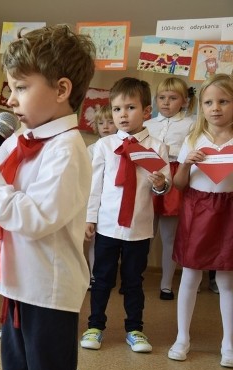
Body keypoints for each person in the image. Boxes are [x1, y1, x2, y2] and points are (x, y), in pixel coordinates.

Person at [0, 24, 94, 370]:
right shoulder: (24, 139)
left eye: (21, 87)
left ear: (61, 89)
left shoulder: (67, 149)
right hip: (20, 284)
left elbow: (34, 219)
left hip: (47, 291)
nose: (11, 98)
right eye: (11, 88)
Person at [82, 77, 171, 354]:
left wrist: (160, 184)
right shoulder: (104, 146)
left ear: (146, 112)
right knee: (102, 278)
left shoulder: (157, 147)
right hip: (108, 226)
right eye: (117, 108)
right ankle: (95, 325)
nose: (122, 114)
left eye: (130, 107)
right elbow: (95, 186)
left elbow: (163, 186)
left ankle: (135, 329)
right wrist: (90, 218)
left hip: (138, 228)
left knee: (134, 281)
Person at [168, 73, 233, 368]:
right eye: (208, 102)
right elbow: (179, 184)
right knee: (191, 275)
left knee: (226, 279)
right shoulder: (194, 138)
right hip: (198, 208)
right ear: (201, 107)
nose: (215, 108)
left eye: (223, 101)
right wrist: (186, 162)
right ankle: (182, 338)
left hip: (228, 211)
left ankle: (228, 344)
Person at [144, 77, 196, 300]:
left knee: (169, 236)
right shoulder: (147, 123)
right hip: (150, 172)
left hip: (175, 176)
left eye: (172, 98)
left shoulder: (191, 123)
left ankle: (166, 284)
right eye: (161, 98)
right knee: (145, 233)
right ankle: (133, 279)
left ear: (184, 101)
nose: (165, 103)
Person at [86, 105, 118, 289]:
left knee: (110, 240)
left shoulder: (122, 146)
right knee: (93, 239)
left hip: (112, 201)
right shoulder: (92, 148)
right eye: (101, 123)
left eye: (110, 122)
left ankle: (108, 274)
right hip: (94, 198)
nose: (105, 126)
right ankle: (93, 275)